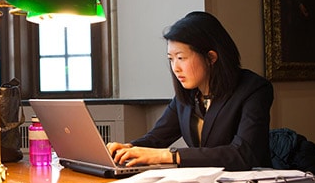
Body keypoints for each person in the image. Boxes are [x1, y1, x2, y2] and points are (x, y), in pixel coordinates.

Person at [107, 11, 273, 171]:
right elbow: (156, 138)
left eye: (181, 58)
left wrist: (170, 155)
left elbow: (242, 154)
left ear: (211, 58)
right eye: (170, 59)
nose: (175, 68)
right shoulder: (188, 94)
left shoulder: (254, 89)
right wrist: (127, 148)